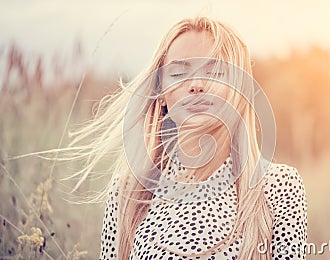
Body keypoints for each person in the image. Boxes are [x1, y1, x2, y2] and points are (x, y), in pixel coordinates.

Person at [69, 17, 307, 259]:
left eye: (214, 72)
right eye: (179, 73)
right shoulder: (128, 192)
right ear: (160, 93)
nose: (196, 85)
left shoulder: (279, 186)